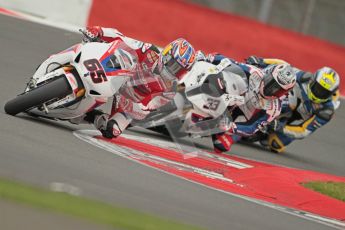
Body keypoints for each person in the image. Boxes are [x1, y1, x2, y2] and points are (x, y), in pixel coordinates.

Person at [35, 26, 196, 138]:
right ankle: (53, 64)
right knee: (82, 47)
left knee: (112, 131)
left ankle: (91, 116)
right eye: (174, 65)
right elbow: (122, 38)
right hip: (118, 74)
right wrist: (99, 31)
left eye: (180, 71)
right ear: (167, 55)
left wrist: (136, 107)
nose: (175, 72)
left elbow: (147, 107)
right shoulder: (149, 50)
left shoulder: (169, 90)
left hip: (129, 100)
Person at [195, 53, 296, 153]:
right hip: (232, 98)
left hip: (238, 118)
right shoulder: (254, 72)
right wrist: (209, 59)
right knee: (226, 78)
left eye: (279, 90)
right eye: (272, 84)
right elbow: (230, 63)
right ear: (268, 74)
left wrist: (232, 127)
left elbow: (252, 128)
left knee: (221, 145)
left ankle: (211, 128)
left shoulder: (274, 109)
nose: (273, 90)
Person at [245, 56, 341, 153]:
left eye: (324, 93)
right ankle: (261, 108)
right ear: (313, 80)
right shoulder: (305, 78)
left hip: (301, 117)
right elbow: (284, 66)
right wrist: (261, 61)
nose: (318, 93)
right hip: (292, 101)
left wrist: (279, 127)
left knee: (275, 144)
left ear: (330, 94)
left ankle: (272, 127)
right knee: (286, 98)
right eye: (318, 88)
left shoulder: (326, 111)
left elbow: (304, 131)